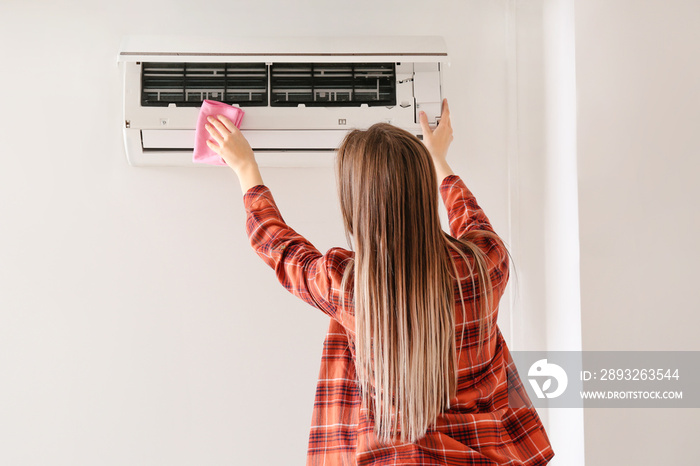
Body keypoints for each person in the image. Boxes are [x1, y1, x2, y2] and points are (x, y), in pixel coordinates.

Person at [205, 98, 555, 465]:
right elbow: (471, 219)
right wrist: (438, 161)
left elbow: (279, 247)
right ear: (421, 193)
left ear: (358, 206)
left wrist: (246, 167)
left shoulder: (349, 287)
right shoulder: (485, 264)